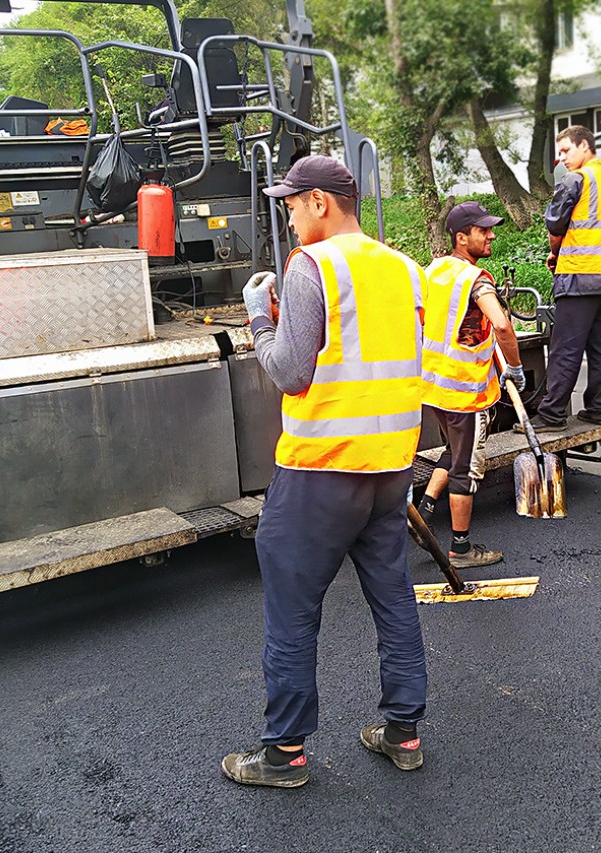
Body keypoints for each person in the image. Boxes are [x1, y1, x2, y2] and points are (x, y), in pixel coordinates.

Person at [221, 156, 429, 788]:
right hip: (391, 466)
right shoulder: (404, 268)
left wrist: (260, 318)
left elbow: (290, 372)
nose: (289, 217)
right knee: (393, 597)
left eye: (291, 205)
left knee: (293, 609)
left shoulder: (312, 266)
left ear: (319, 202)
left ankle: (284, 755)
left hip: (322, 469)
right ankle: (403, 733)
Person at [416, 201, 526, 569]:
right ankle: (460, 550)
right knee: (465, 468)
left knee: (454, 451)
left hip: (435, 387)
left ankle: (423, 511)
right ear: (462, 238)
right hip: (464, 392)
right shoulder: (476, 280)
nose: (491, 235)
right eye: (483, 231)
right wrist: (515, 367)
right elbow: (502, 325)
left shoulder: (435, 270)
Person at [522, 125, 601, 433]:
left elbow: (555, 226)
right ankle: (599, 409)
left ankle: (551, 415)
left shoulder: (577, 180)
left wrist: (555, 254)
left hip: (580, 274)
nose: (561, 159)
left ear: (585, 146)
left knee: (566, 348)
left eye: (566, 150)